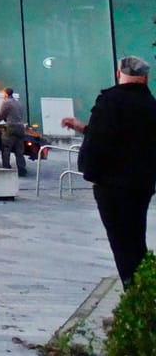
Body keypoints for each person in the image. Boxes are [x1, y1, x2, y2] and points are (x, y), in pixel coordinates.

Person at [61, 55, 156, 287]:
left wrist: (91, 174)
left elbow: (100, 141)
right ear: (145, 77)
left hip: (112, 187)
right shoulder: (150, 105)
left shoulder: (110, 101)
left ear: (118, 74)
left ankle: (133, 294)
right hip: (141, 185)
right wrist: (83, 128)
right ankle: (143, 293)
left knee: (122, 245)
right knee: (136, 239)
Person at [0, 87, 28, 176]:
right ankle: (22, 169)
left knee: (6, 148)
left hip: (11, 128)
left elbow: (0, 116)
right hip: (20, 128)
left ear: (5, 93)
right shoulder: (18, 103)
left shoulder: (6, 103)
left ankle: (6, 168)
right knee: (19, 151)